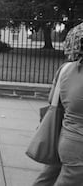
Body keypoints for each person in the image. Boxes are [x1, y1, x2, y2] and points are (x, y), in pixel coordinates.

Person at [32, 22, 83, 185]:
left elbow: (52, 99)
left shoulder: (66, 68)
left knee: (47, 177)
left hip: (64, 134)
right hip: (79, 143)